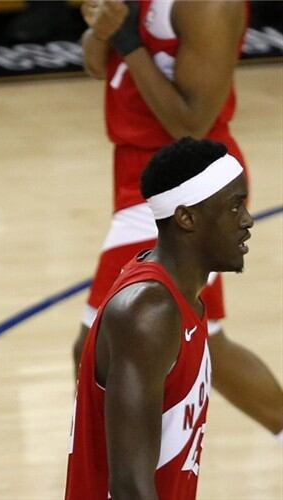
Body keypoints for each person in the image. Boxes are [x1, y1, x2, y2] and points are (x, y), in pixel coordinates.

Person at [75, 0, 283, 437]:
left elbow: (192, 123)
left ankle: (131, 480)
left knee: (103, 347)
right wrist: (103, 30)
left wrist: (129, 40)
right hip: (138, 172)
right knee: (210, 345)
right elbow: (95, 65)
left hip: (186, 185)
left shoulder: (209, 5)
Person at [66, 137, 254, 498]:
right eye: (233, 207)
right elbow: (130, 487)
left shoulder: (181, 300)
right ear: (186, 217)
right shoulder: (149, 313)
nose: (247, 220)